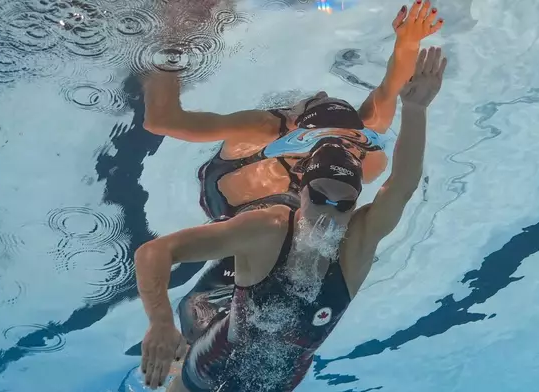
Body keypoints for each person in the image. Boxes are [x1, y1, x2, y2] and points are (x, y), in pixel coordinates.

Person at [136, 1, 446, 391]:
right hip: (233, 279)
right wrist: (169, 43)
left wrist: (408, 47)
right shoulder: (267, 146)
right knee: (201, 315)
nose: (329, 215)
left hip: (275, 367)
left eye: (344, 203)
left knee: (213, 314)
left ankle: (181, 351)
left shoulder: (355, 169)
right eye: (320, 196)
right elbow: (162, 123)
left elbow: (398, 172)